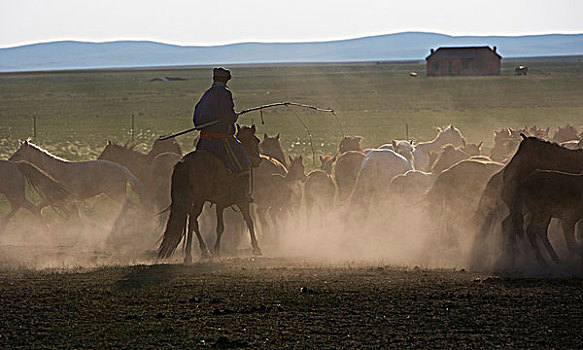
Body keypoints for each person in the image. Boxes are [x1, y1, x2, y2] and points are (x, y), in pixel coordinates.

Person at [193, 67, 252, 202]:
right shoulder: (225, 93)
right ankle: (242, 195)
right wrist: (234, 116)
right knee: (244, 162)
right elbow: (228, 116)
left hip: (204, 142)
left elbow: (197, 121)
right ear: (226, 80)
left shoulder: (206, 94)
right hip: (221, 142)